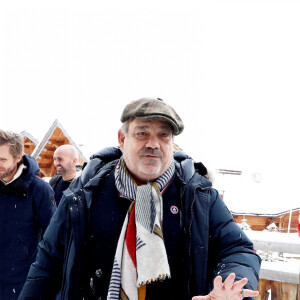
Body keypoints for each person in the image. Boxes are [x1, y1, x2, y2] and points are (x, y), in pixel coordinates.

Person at [19, 98, 261, 300]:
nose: (153, 144)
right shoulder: (84, 194)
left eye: (163, 135)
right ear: (122, 139)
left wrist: (232, 283)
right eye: (142, 133)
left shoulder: (197, 196)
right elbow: (48, 262)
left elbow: (238, 249)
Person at [0, 129, 56, 300]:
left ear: (18, 158)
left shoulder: (39, 190)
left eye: (2, 159)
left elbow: (54, 238)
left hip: (22, 284)